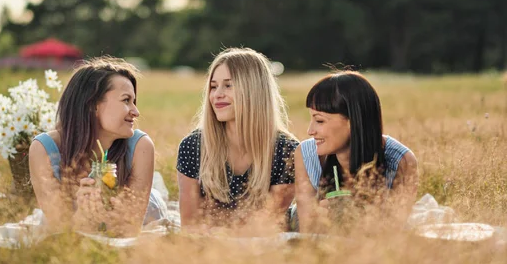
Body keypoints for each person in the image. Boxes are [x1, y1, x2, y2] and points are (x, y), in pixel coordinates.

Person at [29, 56, 167, 236]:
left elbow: (130, 231)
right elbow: (61, 235)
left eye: (134, 101)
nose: (136, 111)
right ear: (92, 104)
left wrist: (115, 218)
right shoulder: (44, 149)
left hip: (143, 216)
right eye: (126, 100)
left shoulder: (141, 146)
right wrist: (82, 216)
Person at [177, 47, 299, 231]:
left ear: (253, 89)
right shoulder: (193, 146)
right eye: (213, 86)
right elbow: (190, 223)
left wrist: (215, 217)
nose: (217, 94)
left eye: (228, 85)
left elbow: (267, 223)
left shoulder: (287, 150)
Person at [293, 71, 418, 233]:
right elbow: (306, 232)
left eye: (319, 120)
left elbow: (394, 232)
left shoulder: (402, 161)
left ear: (353, 121)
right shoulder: (306, 154)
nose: (310, 130)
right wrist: (318, 219)